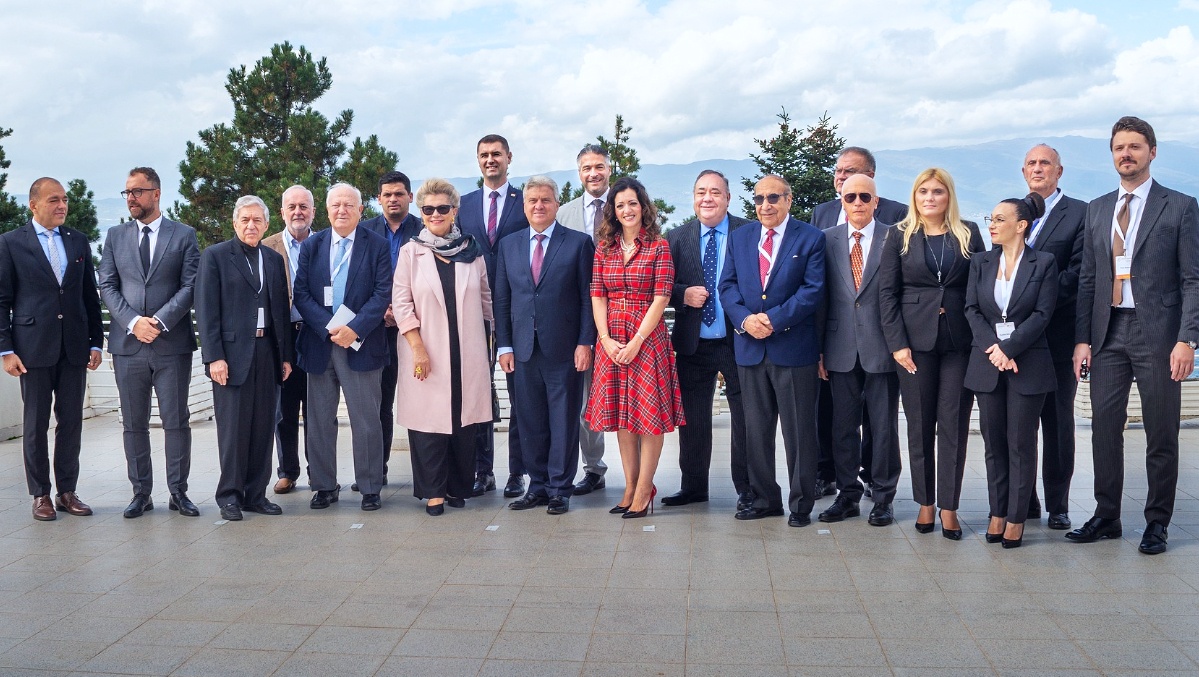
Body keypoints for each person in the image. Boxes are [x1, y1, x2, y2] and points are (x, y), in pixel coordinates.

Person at [1069, 116, 1199, 555]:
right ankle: (1106, 515)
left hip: (1158, 335)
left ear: (1152, 152)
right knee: (1104, 427)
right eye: (1119, 148)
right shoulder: (1098, 208)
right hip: (1107, 333)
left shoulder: (1180, 206)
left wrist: (1188, 339)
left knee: (1162, 431)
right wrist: (1082, 338)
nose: (1126, 154)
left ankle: (1157, 522)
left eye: (1135, 147)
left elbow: (1193, 280)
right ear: (1112, 155)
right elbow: (1089, 278)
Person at [878, 168, 984, 540]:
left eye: (937, 191)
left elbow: (981, 287)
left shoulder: (967, 232)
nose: (930, 198)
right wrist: (897, 343)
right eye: (923, 191)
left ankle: (949, 507)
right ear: (915, 196)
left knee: (954, 426)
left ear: (948, 196)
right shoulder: (899, 235)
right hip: (914, 346)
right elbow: (887, 294)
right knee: (919, 425)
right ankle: (925, 503)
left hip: (960, 343)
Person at [718, 174, 825, 527]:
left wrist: (773, 320)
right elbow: (727, 286)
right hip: (749, 349)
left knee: (799, 433)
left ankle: (801, 504)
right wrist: (746, 320)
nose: (766, 205)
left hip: (793, 350)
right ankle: (765, 499)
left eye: (774, 198)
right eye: (760, 198)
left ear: (789, 200)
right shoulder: (740, 237)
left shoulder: (810, 238)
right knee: (755, 430)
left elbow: (812, 291)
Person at [98, 166, 202, 518]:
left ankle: (178, 492)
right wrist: (133, 322)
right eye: (127, 192)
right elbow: (107, 286)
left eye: (138, 192)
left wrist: (157, 321)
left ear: (156, 194)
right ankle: (141, 493)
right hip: (128, 347)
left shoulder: (184, 235)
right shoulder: (114, 236)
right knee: (134, 424)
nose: (131, 198)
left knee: (176, 422)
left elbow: (191, 285)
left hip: (171, 345)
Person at [0, 177, 104, 521]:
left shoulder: (77, 241)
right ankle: (40, 494)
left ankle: (67, 492)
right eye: (53, 200)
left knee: (71, 422)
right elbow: (2, 301)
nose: (62, 205)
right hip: (32, 349)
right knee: (35, 424)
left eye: (64, 200)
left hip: (74, 347)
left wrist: (95, 341)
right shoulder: (11, 243)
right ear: (34, 204)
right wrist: (6, 350)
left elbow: (89, 295)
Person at [495, 176, 595, 515]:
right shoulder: (509, 245)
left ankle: (559, 489)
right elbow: (502, 299)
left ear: (556, 203)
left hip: (564, 350)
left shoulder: (579, 244)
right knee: (530, 420)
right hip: (522, 351)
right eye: (532, 200)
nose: (539, 206)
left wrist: (585, 342)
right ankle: (536, 486)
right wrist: (504, 345)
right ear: (524, 206)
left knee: (564, 421)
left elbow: (586, 298)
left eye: (545, 200)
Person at [811, 146, 908, 498]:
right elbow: (819, 296)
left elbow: (900, 292)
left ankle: (883, 496)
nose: (855, 201)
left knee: (883, 428)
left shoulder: (894, 236)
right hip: (838, 348)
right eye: (849, 195)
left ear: (875, 199)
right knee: (842, 427)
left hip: (882, 346)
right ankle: (847, 494)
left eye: (863, 195)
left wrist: (901, 344)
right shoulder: (826, 238)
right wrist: (818, 348)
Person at [394, 178, 494, 516]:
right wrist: (418, 348)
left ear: (454, 211)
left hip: (467, 350)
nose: (436, 214)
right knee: (428, 425)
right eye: (428, 209)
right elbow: (402, 303)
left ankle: (457, 486)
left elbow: (486, 302)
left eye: (442, 208)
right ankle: (433, 491)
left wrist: (494, 346)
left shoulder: (471, 251)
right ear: (421, 213)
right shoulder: (411, 252)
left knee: (462, 421)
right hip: (426, 349)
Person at [585, 177, 684, 519]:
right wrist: (605, 339)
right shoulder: (604, 247)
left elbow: (662, 297)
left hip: (647, 338)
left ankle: (645, 487)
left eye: (632, 203)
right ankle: (629, 485)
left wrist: (637, 341)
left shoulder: (658, 246)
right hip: (611, 339)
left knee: (648, 418)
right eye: (620, 205)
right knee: (622, 419)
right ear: (613, 210)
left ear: (643, 207)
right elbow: (597, 294)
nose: (627, 210)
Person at [964, 193, 1058, 548]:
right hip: (988, 363)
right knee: (994, 444)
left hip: (1027, 363)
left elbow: (1042, 314)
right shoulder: (981, 262)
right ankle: (997, 512)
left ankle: (1017, 517)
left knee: (1021, 443)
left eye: (1000, 219)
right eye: (991, 218)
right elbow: (972, 309)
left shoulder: (1044, 262)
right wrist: (995, 349)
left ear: (1021, 225)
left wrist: (1009, 348)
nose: (992, 224)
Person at [293, 183, 393, 511]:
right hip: (321, 344)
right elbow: (302, 293)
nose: (342, 210)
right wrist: (329, 327)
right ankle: (323, 486)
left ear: (361, 210)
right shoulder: (313, 245)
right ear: (327, 209)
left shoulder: (376, 245)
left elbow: (382, 292)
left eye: (349, 205)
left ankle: (369, 487)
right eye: (336, 204)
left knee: (366, 420)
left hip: (362, 345)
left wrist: (355, 328)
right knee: (319, 420)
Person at [196, 195, 294, 521]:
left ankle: (255, 495)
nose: (251, 225)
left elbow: (280, 309)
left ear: (267, 225)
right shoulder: (216, 257)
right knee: (234, 429)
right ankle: (229, 497)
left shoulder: (272, 258)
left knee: (264, 426)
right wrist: (214, 357)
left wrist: (286, 355)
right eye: (245, 220)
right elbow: (207, 312)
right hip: (232, 355)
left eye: (257, 220)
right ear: (235, 223)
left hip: (268, 352)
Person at [662, 170, 751, 510]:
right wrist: (683, 294)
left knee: (745, 420)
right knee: (694, 420)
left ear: (728, 198)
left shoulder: (747, 232)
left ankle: (746, 488)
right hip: (692, 343)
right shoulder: (677, 237)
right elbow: (659, 287)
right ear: (693, 198)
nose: (707, 198)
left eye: (715, 192)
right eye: (701, 192)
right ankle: (694, 487)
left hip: (738, 341)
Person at [457, 135, 528, 499]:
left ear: (508, 158)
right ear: (477, 159)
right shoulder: (463, 205)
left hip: (517, 312)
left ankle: (517, 472)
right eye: (483, 154)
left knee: (520, 397)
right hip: (475, 314)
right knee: (478, 393)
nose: (490, 160)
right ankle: (482, 470)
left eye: (496, 154)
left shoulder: (523, 203)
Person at [1019, 144, 1086, 530]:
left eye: (1046, 163)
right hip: (1017, 343)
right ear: (1023, 171)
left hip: (1058, 338)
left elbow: (1079, 274)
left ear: (1059, 171)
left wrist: (1031, 296)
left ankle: (1058, 504)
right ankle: (1025, 500)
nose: (1038, 168)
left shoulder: (1080, 213)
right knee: (1020, 425)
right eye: (1032, 163)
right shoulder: (1013, 211)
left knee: (1058, 425)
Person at [358, 171, 423, 487]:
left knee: (420, 400)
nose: (393, 199)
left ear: (410, 197)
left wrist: (404, 312)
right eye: (387, 194)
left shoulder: (424, 228)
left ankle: (427, 472)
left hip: (418, 330)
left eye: (399, 194)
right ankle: (376, 469)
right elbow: (360, 279)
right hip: (377, 328)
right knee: (379, 402)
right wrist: (382, 310)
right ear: (379, 198)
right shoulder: (364, 231)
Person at [559, 144, 613, 495]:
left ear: (609, 168)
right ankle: (593, 467)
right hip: (575, 318)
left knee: (615, 396)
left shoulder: (625, 205)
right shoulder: (563, 213)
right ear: (579, 173)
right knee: (581, 402)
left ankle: (640, 472)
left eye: (599, 166)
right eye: (586, 168)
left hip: (618, 316)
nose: (593, 173)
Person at [262, 185, 315, 495]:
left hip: (315, 336)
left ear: (312, 211)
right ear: (281, 212)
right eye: (292, 206)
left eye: (304, 207)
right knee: (284, 410)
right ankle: (287, 471)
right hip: (281, 339)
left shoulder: (323, 244)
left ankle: (318, 471)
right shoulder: (267, 248)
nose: (298, 212)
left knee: (317, 410)